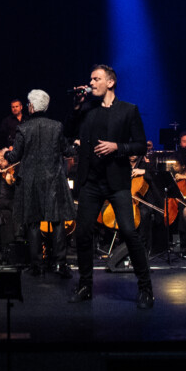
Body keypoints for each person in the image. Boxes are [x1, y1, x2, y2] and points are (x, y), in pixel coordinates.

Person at [68, 65, 153, 309]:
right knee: (83, 233)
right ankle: (85, 285)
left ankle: (145, 287)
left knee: (128, 231)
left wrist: (118, 147)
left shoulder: (128, 110)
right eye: (91, 78)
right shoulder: (87, 111)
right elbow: (68, 130)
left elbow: (140, 146)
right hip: (91, 182)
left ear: (111, 82)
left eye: (97, 79)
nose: (91, 82)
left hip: (117, 182)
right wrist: (76, 106)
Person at [4, 88, 74, 278]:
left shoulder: (24, 128)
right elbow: (67, 151)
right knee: (57, 220)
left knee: (33, 222)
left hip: (31, 181)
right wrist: (76, 146)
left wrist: (5, 154)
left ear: (32, 107)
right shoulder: (57, 126)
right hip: (53, 179)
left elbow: (14, 156)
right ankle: (60, 263)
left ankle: (37, 265)